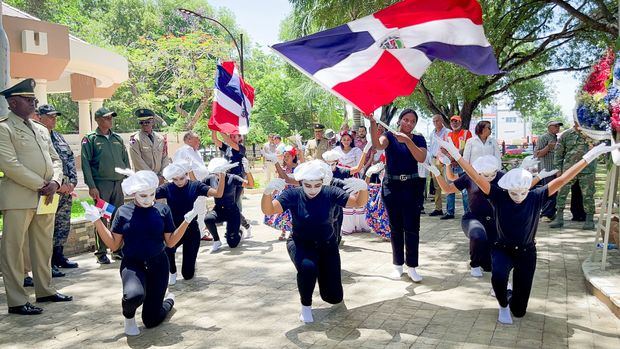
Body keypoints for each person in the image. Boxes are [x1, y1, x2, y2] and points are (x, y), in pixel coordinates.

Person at [436, 135, 619, 324]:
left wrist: (589, 156)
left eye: (522, 192)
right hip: (502, 248)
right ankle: (502, 304)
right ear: (506, 189)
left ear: (528, 189)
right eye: (513, 193)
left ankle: (510, 299)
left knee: (520, 311)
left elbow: (564, 179)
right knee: (498, 277)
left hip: (526, 252)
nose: (518, 196)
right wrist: (456, 155)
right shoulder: (497, 195)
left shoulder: (536, 196)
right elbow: (474, 175)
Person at [82, 169, 203, 335]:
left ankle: (168, 302)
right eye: (143, 196)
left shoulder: (162, 210)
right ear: (134, 193)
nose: (148, 200)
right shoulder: (122, 212)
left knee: (151, 320)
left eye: (151, 194)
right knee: (133, 296)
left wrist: (186, 221)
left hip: (159, 264)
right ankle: (129, 318)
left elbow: (171, 242)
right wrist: (97, 220)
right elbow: (114, 245)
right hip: (133, 264)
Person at [261, 160, 369, 323]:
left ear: (323, 182)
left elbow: (358, 203)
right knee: (307, 268)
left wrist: (363, 188)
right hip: (300, 243)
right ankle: (306, 307)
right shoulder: (293, 194)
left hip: (327, 246)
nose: (312, 190)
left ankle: (320, 272)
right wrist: (267, 193)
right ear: (301, 182)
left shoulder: (331, 192)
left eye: (317, 185)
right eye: (308, 185)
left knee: (334, 297)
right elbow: (268, 209)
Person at [0, 79, 73, 315]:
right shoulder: (4, 128)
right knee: (14, 249)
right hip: (19, 197)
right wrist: (42, 184)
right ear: (13, 102)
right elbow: (9, 165)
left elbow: (56, 160)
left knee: (43, 246)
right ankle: (17, 300)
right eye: (28, 100)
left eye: (34, 99)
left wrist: (55, 182)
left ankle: (46, 290)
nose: (34, 103)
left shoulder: (41, 129)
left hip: (46, 196)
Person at [365, 108, 427, 282]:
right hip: (392, 187)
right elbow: (377, 145)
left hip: (412, 187)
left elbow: (421, 157)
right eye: (405, 119)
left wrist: (407, 141)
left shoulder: (419, 139)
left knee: (412, 228)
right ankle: (398, 265)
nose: (408, 123)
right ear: (399, 120)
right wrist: (372, 123)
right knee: (396, 228)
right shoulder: (390, 136)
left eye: (412, 121)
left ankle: (412, 266)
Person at [157, 163, 224, 285]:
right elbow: (149, 197)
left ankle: (191, 262)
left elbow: (218, 194)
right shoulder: (167, 188)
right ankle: (172, 271)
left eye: (181, 178)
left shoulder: (195, 185)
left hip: (191, 229)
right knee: (166, 249)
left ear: (187, 174)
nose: (179, 182)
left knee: (188, 274)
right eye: (175, 179)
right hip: (173, 229)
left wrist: (222, 176)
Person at [81, 107, 131, 264]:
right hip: (102, 185)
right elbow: (86, 164)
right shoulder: (91, 139)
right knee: (102, 217)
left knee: (118, 217)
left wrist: (128, 178)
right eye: (107, 118)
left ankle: (117, 249)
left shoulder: (117, 138)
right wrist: (91, 185)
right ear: (98, 120)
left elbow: (125, 159)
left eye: (111, 118)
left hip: (118, 183)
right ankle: (101, 252)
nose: (110, 120)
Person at [36, 105, 79, 273]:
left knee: (62, 224)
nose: (54, 119)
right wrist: (58, 185)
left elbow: (69, 160)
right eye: (50, 116)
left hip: (66, 190)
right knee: (48, 227)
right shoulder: (38, 137)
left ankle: (58, 256)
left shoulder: (59, 137)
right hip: (51, 190)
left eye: (55, 116)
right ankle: (47, 263)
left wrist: (72, 184)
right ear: (39, 117)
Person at [550, 123, 598, 229]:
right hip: (569, 170)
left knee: (588, 194)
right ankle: (559, 218)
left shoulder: (591, 133)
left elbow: (598, 150)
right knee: (562, 193)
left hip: (587, 169)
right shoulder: (566, 134)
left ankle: (589, 220)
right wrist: (558, 169)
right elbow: (558, 152)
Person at [203, 158, 252, 252]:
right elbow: (196, 186)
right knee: (208, 219)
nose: (218, 174)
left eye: (220, 171)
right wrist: (190, 171)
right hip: (219, 210)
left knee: (232, 244)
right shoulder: (210, 178)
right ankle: (217, 241)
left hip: (232, 211)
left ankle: (239, 231)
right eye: (215, 172)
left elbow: (250, 184)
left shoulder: (233, 178)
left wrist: (248, 171)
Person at [172, 131, 212, 241]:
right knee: (191, 210)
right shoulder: (182, 151)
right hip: (190, 186)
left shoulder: (196, 152)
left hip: (200, 184)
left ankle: (201, 232)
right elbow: (179, 169)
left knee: (201, 209)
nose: (199, 141)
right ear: (188, 139)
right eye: (196, 139)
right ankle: (188, 234)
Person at [211, 130, 252, 236]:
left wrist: (221, 130)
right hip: (226, 178)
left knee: (233, 204)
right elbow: (215, 140)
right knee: (229, 204)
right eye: (231, 136)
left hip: (237, 179)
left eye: (235, 136)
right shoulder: (227, 147)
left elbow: (228, 141)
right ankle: (244, 225)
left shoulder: (241, 148)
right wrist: (214, 130)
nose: (232, 138)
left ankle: (237, 228)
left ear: (240, 138)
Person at [264, 146, 299, 241]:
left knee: (293, 214)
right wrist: (272, 194)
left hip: (295, 193)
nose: (286, 158)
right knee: (282, 213)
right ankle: (283, 231)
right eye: (284, 156)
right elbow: (278, 181)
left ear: (293, 156)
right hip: (284, 192)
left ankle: (293, 231)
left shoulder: (298, 167)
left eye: (288, 156)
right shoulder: (282, 169)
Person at [441, 115, 472, 220]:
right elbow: (443, 148)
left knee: (464, 190)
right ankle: (450, 212)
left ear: (460, 122)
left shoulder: (466, 133)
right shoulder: (447, 135)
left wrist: (455, 158)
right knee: (449, 189)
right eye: (452, 121)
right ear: (450, 123)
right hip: (450, 164)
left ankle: (467, 212)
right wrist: (450, 159)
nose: (454, 123)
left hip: (462, 165)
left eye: (457, 121)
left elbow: (467, 148)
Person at [129, 109, 170, 183]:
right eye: (141, 122)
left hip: (160, 179)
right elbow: (137, 161)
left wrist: (162, 175)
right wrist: (153, 177)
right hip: (144, 179)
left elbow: (165, 158)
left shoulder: (160, 138)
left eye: (147, 122)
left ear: (153, 122)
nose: (144, 124)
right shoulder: (135, 140)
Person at [534, 121, 563, 220]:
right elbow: (537, 154)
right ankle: (545, 214)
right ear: (549, 127)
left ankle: (551, 213)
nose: (558, 128)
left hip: (556, 170)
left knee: (555, 192)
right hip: (546, 170)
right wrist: (548, 147)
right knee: (548, 191)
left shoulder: (557, 138)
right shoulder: (543, 137)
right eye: (555, 126)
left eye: (558, 126)